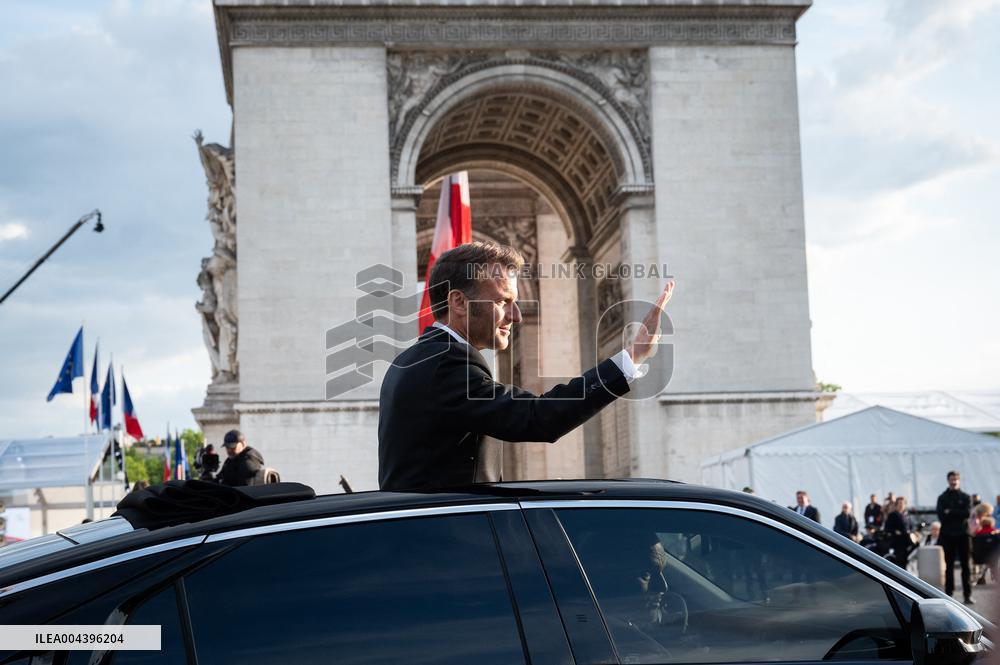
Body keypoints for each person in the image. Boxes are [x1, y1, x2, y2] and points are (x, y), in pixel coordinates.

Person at [377, 241, 674, 491]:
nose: (516, 315)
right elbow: (537, 417)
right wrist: (629, 359)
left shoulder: (415, 359)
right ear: (458, 302)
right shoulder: (446, 363)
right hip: (449, 547)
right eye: (503, 301)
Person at [937, 470, 974, 604]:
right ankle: (949, 595)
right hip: (948, 535)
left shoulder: (965, 497)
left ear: (959, 480)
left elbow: (967, 513)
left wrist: (950, 511)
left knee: (966, 566)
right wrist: (957, 513)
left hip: (963, 535)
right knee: (949, 566)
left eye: (956, 479)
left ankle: (967, 595)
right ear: (948, 480)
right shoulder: (942, 498)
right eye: (951, 479)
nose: (954, 482)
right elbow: (941, 516)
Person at [884, 496, 914, 568]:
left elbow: (911, 526)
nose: (901, 505)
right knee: (899, 562)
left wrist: (913, 533)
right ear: (896, 504)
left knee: (906, 562)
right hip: (898, 543)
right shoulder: (892, 515)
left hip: (907, 542)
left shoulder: (907, 515)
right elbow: (887, 528)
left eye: (903, 503)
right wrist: (895, 531)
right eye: (899, 503)